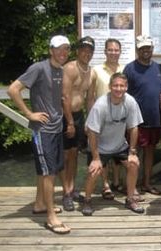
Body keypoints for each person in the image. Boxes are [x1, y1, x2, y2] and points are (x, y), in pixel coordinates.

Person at [7, 35, 71, 234]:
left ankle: (40, 204)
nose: (63, 52)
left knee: (44, 170)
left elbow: (58, 99)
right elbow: (13, 89)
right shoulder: (39, 68)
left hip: (56, 129)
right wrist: (29, 113)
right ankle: (51, 217)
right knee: (48, 173)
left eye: (66, 49)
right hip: (42, 131)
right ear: (50, 50)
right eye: (59, 48)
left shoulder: (60, 70)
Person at [82, 72, 144, 216]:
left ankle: (130, 199)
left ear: (126, 87)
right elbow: (91, 132)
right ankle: (87, 200)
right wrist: (96, 158)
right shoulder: (100, 105)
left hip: (119, 145)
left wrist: (132, 152)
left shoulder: (130, 101)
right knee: (94, 170)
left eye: (122, 85)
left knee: (134, 164)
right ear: (110, 87)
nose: (118, 89)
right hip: (99, 146)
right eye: (115, 85)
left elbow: (134, 127)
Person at [123, 35, 161, 195]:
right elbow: (123, 95)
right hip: (135, 121)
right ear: (137, 50)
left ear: (152, 49)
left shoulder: (157, 68)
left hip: (154, 119)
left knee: (150, 152)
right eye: (142, 48)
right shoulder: (129, 68)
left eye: (148, 47)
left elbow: (160, 92)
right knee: (134, 152)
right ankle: (132, 186)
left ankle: (147, 183)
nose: (145, 51)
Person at [60, 36, 95, 211]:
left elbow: (89, 99)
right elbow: (65, 96)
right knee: (66, 156)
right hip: (66, 116)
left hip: (80, 116)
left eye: (90, 51)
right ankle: (65, 193)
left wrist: (90, 122)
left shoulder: (91, 72)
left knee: (74, 154)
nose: (86, 53)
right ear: (77, 51)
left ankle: (72, 188)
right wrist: (70, 123)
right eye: (83, 50)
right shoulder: (69, 68)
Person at [88, 38, 125, 199]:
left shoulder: (125, 69)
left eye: (116, 50)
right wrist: (89, 120)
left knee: (117, 150)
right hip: (100, 117)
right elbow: (90, 97)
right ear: (105, 51)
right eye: (110, 49)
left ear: (120, 51)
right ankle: (105, 184)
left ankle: (117, 181)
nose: (113, 52)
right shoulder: (96, 70)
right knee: (101, 151)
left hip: (119, 116)